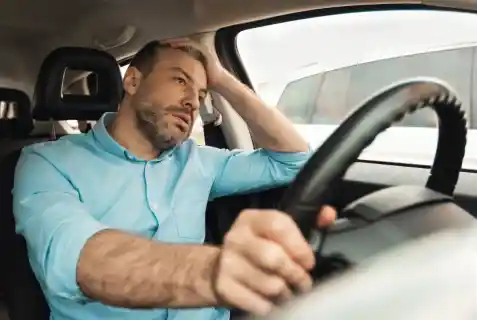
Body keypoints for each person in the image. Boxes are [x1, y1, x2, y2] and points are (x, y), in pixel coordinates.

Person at [12, 38, 336, 320]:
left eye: (201, 93)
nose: (193, 102)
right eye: (180, 81)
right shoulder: (46, 162)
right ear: (134, 82)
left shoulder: (199, 161)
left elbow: (294, 161)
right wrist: (213, 271)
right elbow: (75, 255)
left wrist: (222, 79)